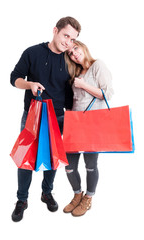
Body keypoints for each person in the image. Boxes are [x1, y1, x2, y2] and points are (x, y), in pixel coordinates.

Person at [10, 16, 81, 222]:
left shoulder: (70, 59)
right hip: (33, 115)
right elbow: (14, 78)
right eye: (65, 35)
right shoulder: (32, 52)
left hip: (59, 117)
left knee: (53, 158)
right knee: (26, 158)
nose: (67, 42)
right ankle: (22, 199)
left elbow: (73, 90)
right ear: (55, 30)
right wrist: (30, 84)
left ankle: (46, 192)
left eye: (72, 39)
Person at [63, 40, 114, 217]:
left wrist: (83, 85)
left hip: (93, 123)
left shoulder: (97, 65)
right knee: (69, 166)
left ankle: (88, 198)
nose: (74, 53)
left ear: (83, 47)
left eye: (75, 48)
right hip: (75, 123)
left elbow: (107, 93)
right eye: (69, 53)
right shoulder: (75, 72)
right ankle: (77, 194)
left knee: (90, 165)